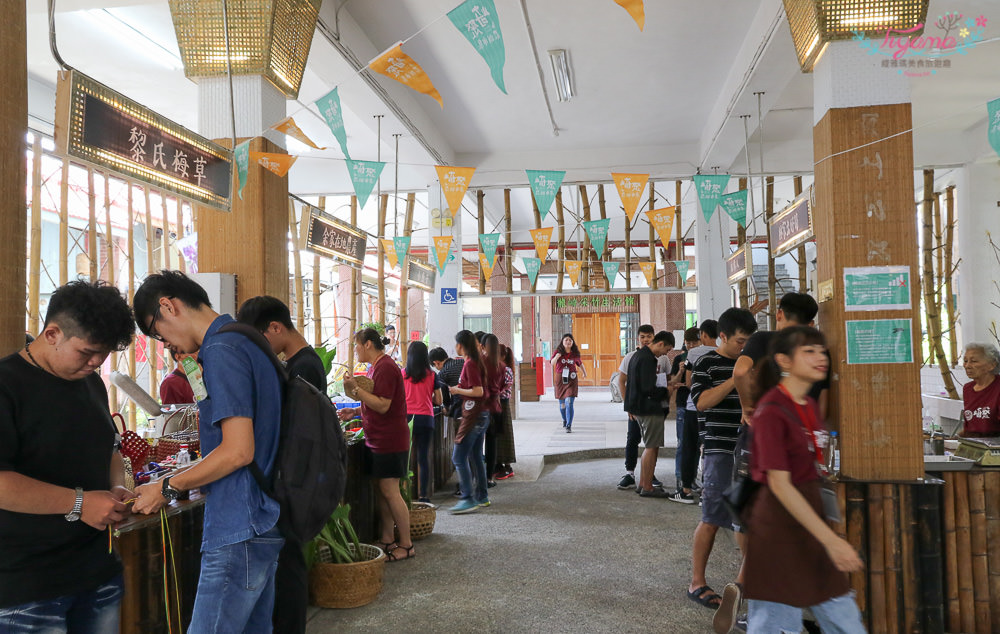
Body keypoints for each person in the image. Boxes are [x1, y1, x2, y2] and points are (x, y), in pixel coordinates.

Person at [131, 271, 285, 632]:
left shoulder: (221, 350)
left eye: (158, 332)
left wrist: (168, 488)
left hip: (239, 522)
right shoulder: (245, 339)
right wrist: (170, 478)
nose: (165, 342)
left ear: (168, 306)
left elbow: (237, 452)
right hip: (262, 515)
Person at [0, 281, 135, 631]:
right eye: (87, 352)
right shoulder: (6, 386)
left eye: (103, 354)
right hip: (27, 584)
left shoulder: (91, 383)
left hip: (97, 571)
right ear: (52, 333)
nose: (95, 363)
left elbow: (110, 446)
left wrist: (116, 486)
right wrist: (80, 503)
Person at [741, 326, 865, 633]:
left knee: (845, 621)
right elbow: (780, 485)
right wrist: (831, 541)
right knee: (777, 625)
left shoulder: (807, 406)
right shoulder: (771, 412)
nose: (820, 358)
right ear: (784, 360)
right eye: (808, 352)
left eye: (821, 351)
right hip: (777, 535)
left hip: (809, 528)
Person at [236, 295, 326, 634]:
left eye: (261, 338)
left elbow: (296, 432)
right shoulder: (303, 362)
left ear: (275, 328)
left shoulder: (302, 366)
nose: (262, 347)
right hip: (296, 478)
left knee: (289, 564)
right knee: (288, 562)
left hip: (293, 480)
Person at [687, 308, 757, 611]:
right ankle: (697, 582)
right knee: (712, 518)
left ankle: (742, 585)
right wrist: (736, 378)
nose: (744, 348)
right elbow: (701, 403)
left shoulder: (753, 363)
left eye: (748, 343)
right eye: (739, 342)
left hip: (751, 449)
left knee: (749, 520)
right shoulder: (706, 363)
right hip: (719, 448)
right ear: (723, 336)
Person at [336, 329, 414, 561]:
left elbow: (383, 406)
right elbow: (376, 402)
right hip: (379, 438)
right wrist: (357, 411)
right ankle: (388, 538)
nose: (355, 350)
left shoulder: (386, 368)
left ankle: (407, 545)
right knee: (384, 491)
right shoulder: (376, 367)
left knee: (391, 491)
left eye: (356, 345)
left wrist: (356, 390)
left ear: (368, 344)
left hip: (389, 439)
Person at [733, 292, 825, 424]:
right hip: (802, 428)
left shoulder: (762, 340)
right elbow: (822, 403)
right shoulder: (820, 352)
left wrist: (747, 407)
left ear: (779, 314)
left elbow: (740, 371)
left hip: (765, 424)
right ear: (811, 324)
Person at [237, 295, 327, 393]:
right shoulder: (294, 362)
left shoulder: (305, 367)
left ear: (275, 328)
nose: (257, 345)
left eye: (257, 338)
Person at [623, 331, 675, 497]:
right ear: (660, 344)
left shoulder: (637, 356)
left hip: (639, 407)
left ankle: (642, 484)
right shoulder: (648, 359)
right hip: (649, 408)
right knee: (651, 447)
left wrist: (629, 407)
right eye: (666, 350)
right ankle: (647, 486)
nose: (664, 354)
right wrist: (666, 390)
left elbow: (632, 384)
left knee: (649, 446)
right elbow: (647, 389)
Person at [674, 319, 719, 501]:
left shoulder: (693, 353)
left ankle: (685, 490)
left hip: (694, 407)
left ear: (703, 335)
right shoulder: (724, 353)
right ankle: (708, 491)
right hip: (715, 408)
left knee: (689, 447)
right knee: (711, 448)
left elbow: (689, 381)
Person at [448, 330, 490, 514]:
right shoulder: (476, 361)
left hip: (474, 415)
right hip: (482, 414)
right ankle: (482, 496)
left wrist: (457, 391)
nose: (455, 347)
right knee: (475, 457)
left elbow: (478, 391)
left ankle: (467, 498)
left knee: (458, 457)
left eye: (457, 343)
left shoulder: (470, 364)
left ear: (462, 345)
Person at [616, 325, 660, 490]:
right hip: (635, 408)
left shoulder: (660, 357)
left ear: (654, 337)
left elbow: (665, 379)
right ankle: (630, 473)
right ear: (638, 338)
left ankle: (649, 474)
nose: (646, 340)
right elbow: (621, 381)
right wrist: (628, 406)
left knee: (652, 442)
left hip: (653, 409)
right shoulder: (630, 357)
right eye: (642, 336)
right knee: (633, 438)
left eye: (649, 336)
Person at [403, 341, 443, 503]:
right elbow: (439, 400)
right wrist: (427, 397)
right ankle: (423, 496)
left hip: (406, 419)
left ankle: (405, 495)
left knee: (406, 459)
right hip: (426, 418)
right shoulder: (432, 375)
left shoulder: (402, 374)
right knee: (423, 458)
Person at [668, 327, 701, 503]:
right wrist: (681, 371)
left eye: (694, 343)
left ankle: (691, 478)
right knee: (683, 444)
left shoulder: (704, 357)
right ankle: (681, 479)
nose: (691, 346)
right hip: (683, 405)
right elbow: (673, 382)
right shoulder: (680, 358)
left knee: (696, 445)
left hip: (699, 405)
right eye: (688, 343)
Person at [481, 334, 507, 488]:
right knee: (492, 445)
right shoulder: (501, 366)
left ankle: (479, 478)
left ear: (483, 347)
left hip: (482, 408)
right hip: (496, 408)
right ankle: (489, 477)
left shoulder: (479, 363)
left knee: (477, 445)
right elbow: (503, 386)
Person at [960, 342, 1000, 437]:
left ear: (991, 365)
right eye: (965, 361)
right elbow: (969, 428)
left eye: (973, 361)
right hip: (974, 445)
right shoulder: (968, 388)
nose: (967, 366)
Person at [552, 334, 587, 433]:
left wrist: (585, 373)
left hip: (571, 379)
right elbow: (552, 363)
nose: (568, 342)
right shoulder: (558, 352)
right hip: (560, 380)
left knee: (569, 402)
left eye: (570, 340)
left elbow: (580, 363)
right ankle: (564, 419)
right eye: (566, 340)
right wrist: (557, 357)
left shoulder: (575, 354)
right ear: (562, 341)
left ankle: (569, 425)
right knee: (562, 405)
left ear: (572, 343)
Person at [493, 344, 517, 481]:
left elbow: (500, 388)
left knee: (505, 434)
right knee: (497, 435)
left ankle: (507, 466)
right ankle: (499, 465)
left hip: (502, 404)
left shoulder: (506, 370)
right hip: (496, 404)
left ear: (502, 356)